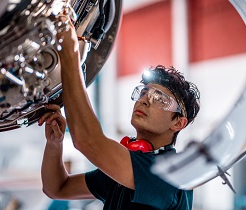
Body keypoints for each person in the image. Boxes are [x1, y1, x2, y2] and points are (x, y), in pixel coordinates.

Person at [38, 16, 201, 210]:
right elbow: (57, 188)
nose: (145, 100)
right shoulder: (130, 168)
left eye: (160, 99)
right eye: (144, 92)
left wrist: (70, 54)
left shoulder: (169, 173)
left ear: (178, 123)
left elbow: (88, 141)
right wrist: (54, 145)